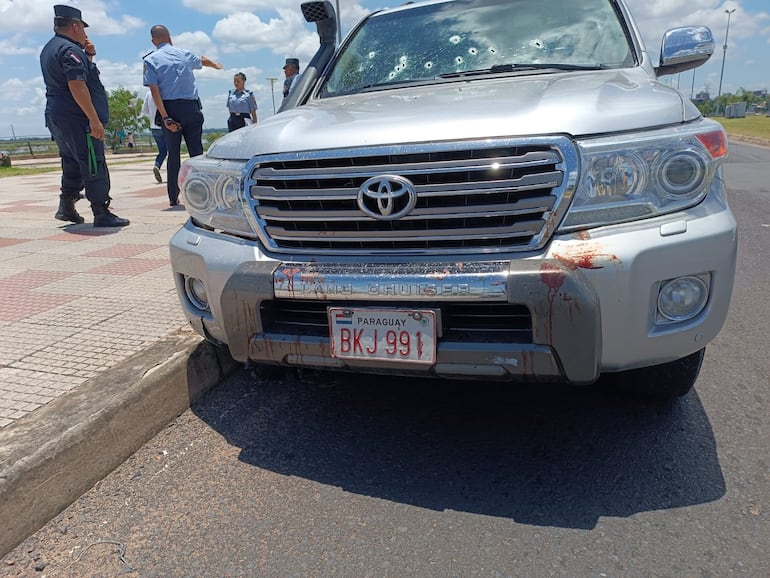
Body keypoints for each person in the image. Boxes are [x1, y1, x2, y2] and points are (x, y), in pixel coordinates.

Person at [39, 5, 129, 227]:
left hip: (58, 116)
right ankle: (101, 211)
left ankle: (66, 206)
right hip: (77, 118)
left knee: (71, 161)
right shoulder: (70, 50)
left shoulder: (50, 48)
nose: (84, 33)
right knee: (93, 161)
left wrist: (88, 55)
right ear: (75, 26)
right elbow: (77, 85)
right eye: (82, 28)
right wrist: (94, 119)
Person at [143, 25, 223, 206]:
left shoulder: (151, 60)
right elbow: (202, 60)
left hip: (170, 109)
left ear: (153, 41)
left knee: (173, 155)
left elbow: (154, 91)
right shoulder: (184, 54)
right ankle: (206, 193)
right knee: (197, 153)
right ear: (169, 37)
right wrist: (216, 66)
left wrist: (165, 117)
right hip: (191, 108)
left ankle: (173, 196)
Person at [141, 90, 166, 182]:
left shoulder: (149, 93)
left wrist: (152, 114)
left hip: (154, 126)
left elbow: (145, 110)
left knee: (162, 151)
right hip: (166, 125)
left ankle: (157, 165)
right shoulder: (165, 91)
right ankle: (172, 172)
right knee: (172, 151)